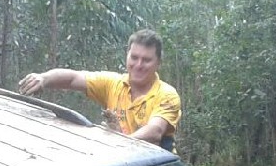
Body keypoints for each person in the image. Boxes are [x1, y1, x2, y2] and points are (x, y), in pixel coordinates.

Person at [19, 29, 181, 151]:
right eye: (134, 57)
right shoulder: (113, 84)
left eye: (146, 60)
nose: (138, 65)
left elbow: (155, 131)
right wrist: (43, 78)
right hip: (123, 163)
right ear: (127, 56)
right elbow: (74, 78)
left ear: (158, 62)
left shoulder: (166, 94)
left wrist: (119, 144)